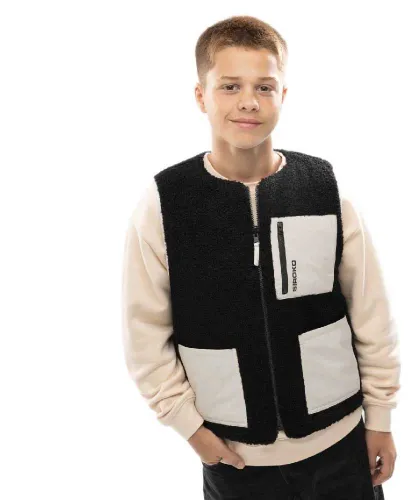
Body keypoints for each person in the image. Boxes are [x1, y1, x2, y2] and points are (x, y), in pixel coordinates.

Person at [121, 15, 400, 500]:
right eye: (230, 86)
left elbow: (372, 314)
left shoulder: (324, 190)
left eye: (264, 87)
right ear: (201, 96)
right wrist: (190, 428)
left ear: (283, 95)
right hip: (235, 459)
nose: (248, 101)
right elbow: (143, 333)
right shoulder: (164, 205)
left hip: (340, 445)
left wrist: (380, 417)